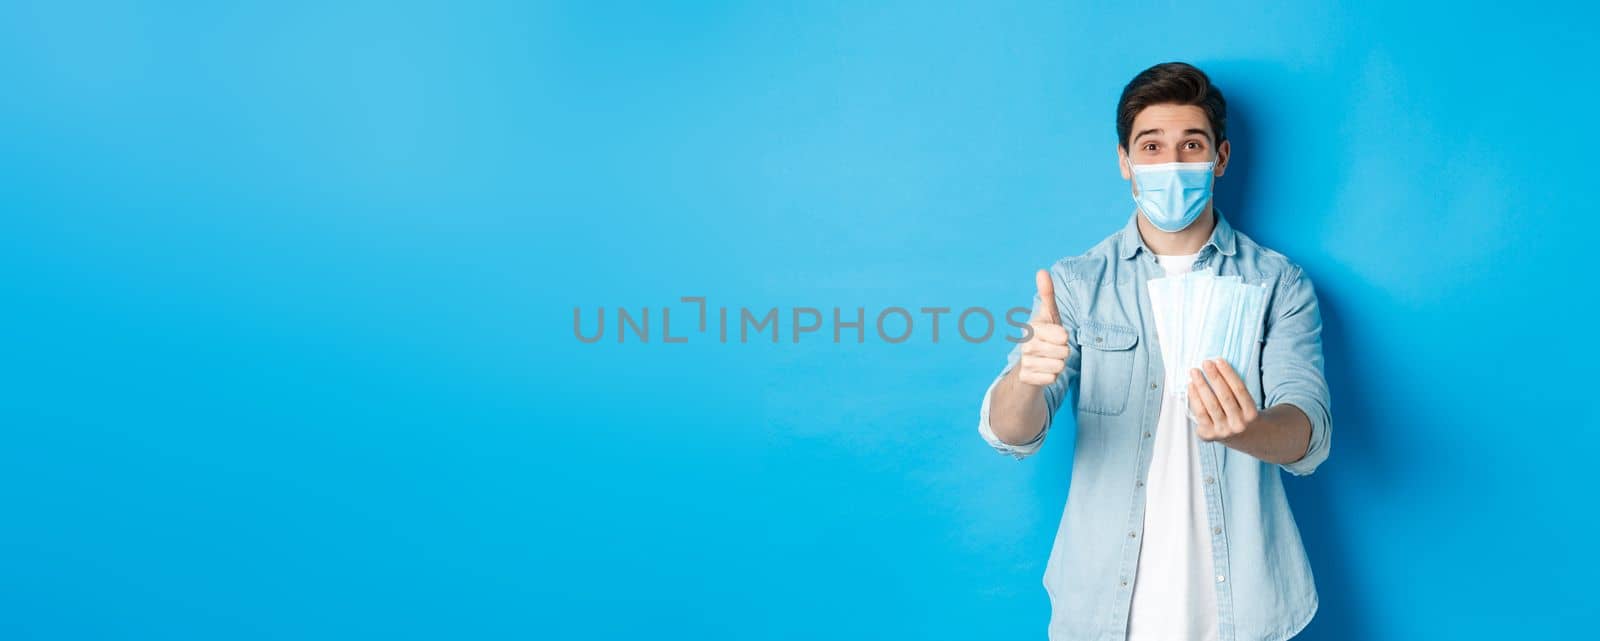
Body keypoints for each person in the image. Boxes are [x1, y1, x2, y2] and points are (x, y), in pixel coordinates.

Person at [977, 62, 1332, 641]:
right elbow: (1011, 433)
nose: (1171, 164)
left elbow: (1308, 433)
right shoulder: (1076, 283)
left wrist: (1245, 430)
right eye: (1151, 146)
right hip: (1102, 607)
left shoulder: (1278, 283)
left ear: (1219, 158)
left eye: (1191, 144)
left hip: (1244, 605)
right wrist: (1028, 379)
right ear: (1125, 161)